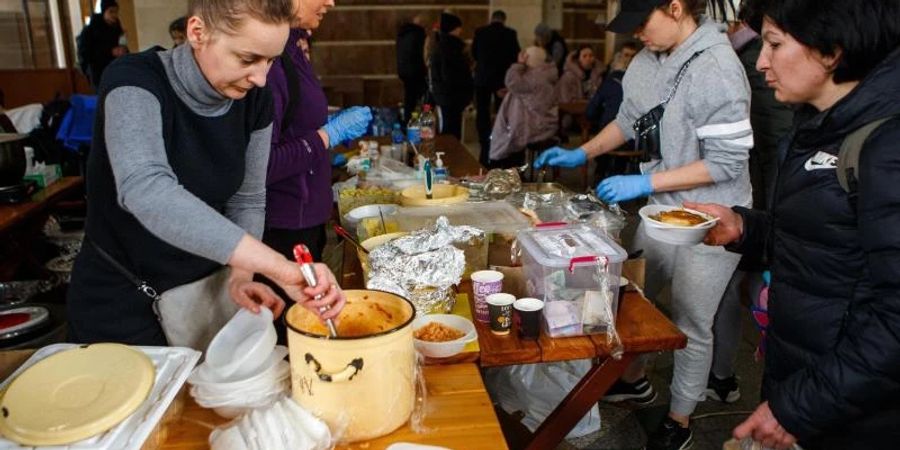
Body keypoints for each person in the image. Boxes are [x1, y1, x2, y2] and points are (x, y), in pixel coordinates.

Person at [535, 1, 753, 449]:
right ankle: (634, 380)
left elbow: (727, 163)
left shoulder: (717, 66)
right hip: (662, 209)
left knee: (691, 319)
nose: (637, 36)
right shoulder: (649, 60)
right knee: (633, 298)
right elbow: (628, 120)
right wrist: (585, 152)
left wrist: (646, 179)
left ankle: (680, 418)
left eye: (642, 24)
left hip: (714, 215)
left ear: (675, 8)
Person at [66, 0, 345, 346]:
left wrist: (240, 275)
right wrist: (278, 266)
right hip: (122, 302)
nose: (261, 79)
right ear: (197, 32)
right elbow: (146, 189)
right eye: (248, 59)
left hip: (200, 298)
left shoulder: (255, 100)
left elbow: (248, 198)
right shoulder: (133, 80)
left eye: (271, 61)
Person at [687, 0, 900, 448]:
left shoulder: (886, 146)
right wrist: (744, 228)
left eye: (775, 43)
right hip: (808, 375)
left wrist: (800, 406)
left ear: (830, 51)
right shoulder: (815, 125)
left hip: (856, 410)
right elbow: (827, 241)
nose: (761, 61)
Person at [707, 2, 793, 406]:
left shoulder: (739, 58)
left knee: (744, 284)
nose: (764, 63)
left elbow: (769, 143)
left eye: (774, 45)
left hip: (760, 186)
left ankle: (726, 373)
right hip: (755, 192)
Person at [264, 0, 370, 274]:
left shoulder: (295, 45)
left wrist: (326, 128)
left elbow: (295, 121)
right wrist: (327, 135)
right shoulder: (270, 59)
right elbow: (264, 164)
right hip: (285, 222)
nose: (330, 2)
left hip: (309, 214)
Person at [488, 46, 558, 168]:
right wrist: (511, 93)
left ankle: (506, 168)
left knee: (507, 134)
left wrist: (519, 64)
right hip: (543, 123)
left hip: (534, 126)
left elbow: (511, 81)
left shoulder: (534, 77)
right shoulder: (546, 74)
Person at [472, 10, 520, 166]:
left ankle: (484, 139)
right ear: (504, 20)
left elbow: (474, 54)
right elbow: (515, 56)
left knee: (483, 111)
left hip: (483, 79)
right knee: (502, 112)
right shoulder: (510, 33)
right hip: (502, 80)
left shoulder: (480, 32)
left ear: (491, 19)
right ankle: (499, 138)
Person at [429, 12, 473, 139]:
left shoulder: (440, 45)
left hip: (446, 95)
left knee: (450, 128)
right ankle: (449, 155)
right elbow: (450, 75)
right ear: (455, 28)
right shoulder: (451, 47)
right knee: (451, 131)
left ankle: (449, 154)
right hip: (451, 95)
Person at [77, 0, 127, 88]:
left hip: (114, 70)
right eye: (111, 12)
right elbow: (86, 53)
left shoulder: (116, 29)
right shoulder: (90, 30)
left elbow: (122, 45)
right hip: (98, 72)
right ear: (104, 12)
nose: (114, 15)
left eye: (116, 12)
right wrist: (110, 52)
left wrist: (123, 51)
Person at [396, 14, 427, 122]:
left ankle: (407, 121)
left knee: (409, 98)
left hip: (403, 71)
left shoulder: (402, 33)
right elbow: (421, 54)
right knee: (419, 99)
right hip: (416, 71)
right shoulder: (418, 34)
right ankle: (415, 122)